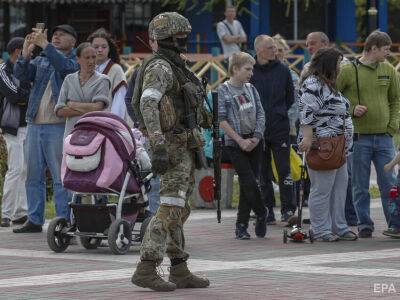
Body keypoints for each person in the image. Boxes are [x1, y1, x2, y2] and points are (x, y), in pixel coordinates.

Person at [130, 12, 210, 292]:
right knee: (170, 207)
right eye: (182, 36)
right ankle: (146, 267)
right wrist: (158, 143)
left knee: (180, 208)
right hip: (172, 147)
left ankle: (179, 268)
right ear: (170, 37)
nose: (186, 40)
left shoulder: (175, 65)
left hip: (183, 144)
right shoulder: (161, 68)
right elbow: (147, 103)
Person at [13, 24, 79, 233]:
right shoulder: (42, 59)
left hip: (58, 126)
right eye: (54, 34)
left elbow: (66, 69)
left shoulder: (74, 60)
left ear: (73, 42)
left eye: (62, 35)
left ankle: (62, 219)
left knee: (61, 177)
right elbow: (22, 77)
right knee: (33, 175)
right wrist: (25, 52)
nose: (57, 37)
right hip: (34, 124)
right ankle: (34, 218)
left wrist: (46, 46)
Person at [336, 30, 400, 238]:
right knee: (360, 185)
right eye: (385, 49)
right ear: (373, 48)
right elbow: (333, 97)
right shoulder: (348, 70)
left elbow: (396, 100)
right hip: (359, 137)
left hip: (384, 137)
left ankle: (394, 224)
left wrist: (392, 126)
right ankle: (364, 224)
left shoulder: (389, 69)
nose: (388, 54)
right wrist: (352, 109)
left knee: (389, 184)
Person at [298, 48, 357, 242]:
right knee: (322, 189)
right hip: (323, 146)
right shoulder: (313, 84)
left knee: (340, 186)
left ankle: (338, 226)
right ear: (330, 64)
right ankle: (320, 229)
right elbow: (306, 113)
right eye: (338, 63)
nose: (341, 67)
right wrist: (307, 138)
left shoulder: (328, 84)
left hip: (339, 146)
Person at [218, 51, 267, 239]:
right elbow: (222, 120)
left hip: (254, 141)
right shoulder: (224, 90)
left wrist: (256, 137)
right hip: (234, 143)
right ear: (235, 69)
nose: (251, 73)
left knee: (251, 183)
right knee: (248, 181)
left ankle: (242, 225)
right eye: (247, 69)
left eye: (252, 69)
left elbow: (261, 114)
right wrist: (240, 140)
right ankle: (262, 212)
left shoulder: (251, 89)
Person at [250, 35, 295, 224]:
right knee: (262, 172)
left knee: (284, 170)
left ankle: (288, 209)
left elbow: (290, 97)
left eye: (275, 48)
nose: (274, 51)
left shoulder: (283, 70)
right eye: (270, 48)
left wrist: (279, 112)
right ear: (259, 50)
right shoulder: (249, 69)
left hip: (279, 127)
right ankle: (267, 210)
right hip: (257, 129)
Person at [124, 25, 160, 216]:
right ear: (151, 43)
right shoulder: (141, 70)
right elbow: (130, 99)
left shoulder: (180, 67)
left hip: (174, 135)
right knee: (152, 178)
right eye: (155, 40)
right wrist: (143, 124)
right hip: (148, 135)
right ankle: (153, 221)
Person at [0, 37, 30, 227]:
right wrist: (27, 96)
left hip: (29, 123)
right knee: (15, 169)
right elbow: (15, 95)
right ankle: (6, 213)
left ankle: (20, 212)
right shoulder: (3, 70)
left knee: (25, 169)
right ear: (17, 51)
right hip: (12, 126)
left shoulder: (27, 67)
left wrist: (25, 96)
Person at [55, 42, 110, 137]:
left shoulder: (103, 80)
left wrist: (72, 104)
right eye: (87, 58)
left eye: (93, 57)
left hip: (94, 133)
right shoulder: (69, 79)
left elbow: (98, 107)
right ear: (78, 59)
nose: (91, 61)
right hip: (71, 134)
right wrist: (88, 109)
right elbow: (59, 110)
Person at [87, 29, 127, 119]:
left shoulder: (116, 70)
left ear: (109, 49)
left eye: (104, 47)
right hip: (87, 122)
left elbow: (119, 101)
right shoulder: (85, 70)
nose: (100, 50)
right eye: (96, 47)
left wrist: (113, 123)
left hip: (107, 123)